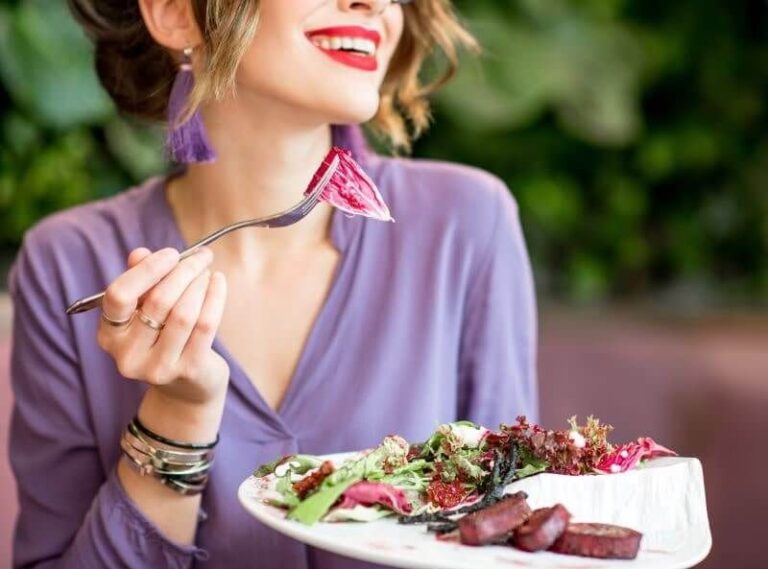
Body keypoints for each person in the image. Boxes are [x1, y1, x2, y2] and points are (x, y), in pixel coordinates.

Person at [8, 0, 538, 567]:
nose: (374, 4)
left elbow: (515, 538)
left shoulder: (466, 224)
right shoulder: (65, 263)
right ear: (175, 13)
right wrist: (176, 420)